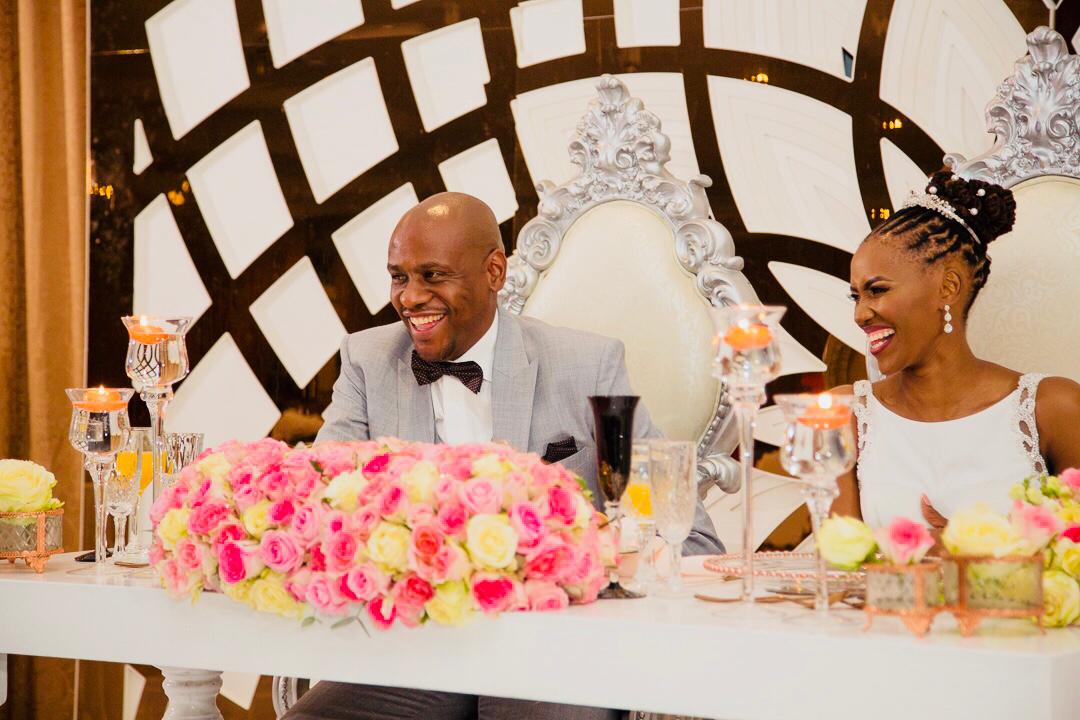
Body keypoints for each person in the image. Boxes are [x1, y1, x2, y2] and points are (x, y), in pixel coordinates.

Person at [286, 192, 722, 720]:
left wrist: (577, 559)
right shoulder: (367, 359)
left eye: (432, 275)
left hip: (555, 649)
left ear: (494, 271)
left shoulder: (588, 364)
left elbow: (689, 537)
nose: (410, 297)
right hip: (412, 649)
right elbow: (323, 505)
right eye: (399, 277)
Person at [833, 171, 1080, 532]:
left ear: (948, 287)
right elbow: (834, 560)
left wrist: (976, 552)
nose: (860, 314)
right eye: (856, 296)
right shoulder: (843, 417)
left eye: (878, 290)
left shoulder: (1053, 408)